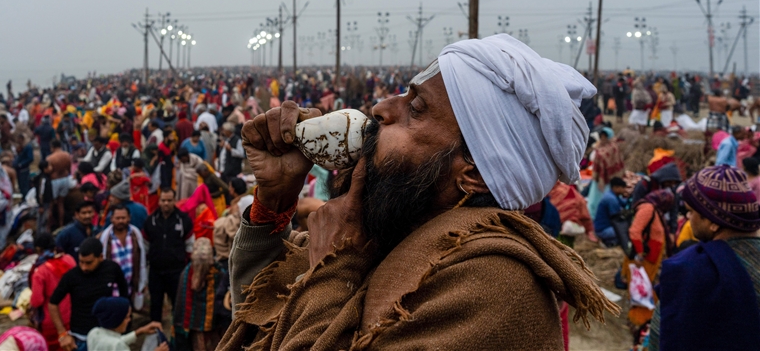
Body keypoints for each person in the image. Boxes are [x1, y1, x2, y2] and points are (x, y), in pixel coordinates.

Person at [218, 35, 617, 350]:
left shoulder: (493, 286)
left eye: (417, 108)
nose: (380, 109)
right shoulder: (389, 234)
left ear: (474, 172)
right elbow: (260, 323)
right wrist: (274, 203)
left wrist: (333, 272)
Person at [648, 166, 760, 351]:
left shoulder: (689, 270)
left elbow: (661, 339)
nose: (688, 217)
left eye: (691, 211)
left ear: (713, 223)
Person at [49, 237, 129, 351]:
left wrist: (122, 317)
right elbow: (53, 303)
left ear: (100, 257)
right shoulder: (72, 277)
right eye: (81, 262)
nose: (84, 267)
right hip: (81, 337)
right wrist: (62, 334)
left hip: (107, 334)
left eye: (89, 263)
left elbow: (124, 292)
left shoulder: (112, 269)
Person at [624, 189, 675, 329]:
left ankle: (641, 324)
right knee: (641, 292)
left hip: (649, 258)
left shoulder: (653, 209)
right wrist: (640, 253)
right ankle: (639, 325)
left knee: (643, 291)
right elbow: (635, 231)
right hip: (644, 258)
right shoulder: (648, 208)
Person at [143, 188, 194, 322]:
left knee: (178, 305)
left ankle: (177, 333)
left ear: (175, 201)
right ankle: (156, 333)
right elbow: (145, 246)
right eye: (163, 200)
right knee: (156, 304)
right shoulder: (151, 220)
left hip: (176, 271)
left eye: (169, 200)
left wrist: (186, 266)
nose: (166, 203)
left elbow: (190, 245)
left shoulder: (183, 220)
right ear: (159, 201)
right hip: (155, 272)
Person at [174, 237, 228, 351]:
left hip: (214, 328)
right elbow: (182, 304)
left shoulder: (218, 275)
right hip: (194, 328)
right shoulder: (186, 276)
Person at [30, 232, 77, 351]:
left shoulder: (40, 271)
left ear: (38, 249)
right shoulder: (69, 260)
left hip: (51, 322)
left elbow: (37, 300)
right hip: (73, 315)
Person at [99, 205, 147, 306]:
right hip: (113, 289)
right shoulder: (106, 237)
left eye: (123, 218)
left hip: (130, 286)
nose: (120, 221)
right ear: (112, 219)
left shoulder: (135, 234)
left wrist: (142, 282)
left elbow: (142, 259)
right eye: (117, 218)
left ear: (129, 218)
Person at [86, 297, 166, 351]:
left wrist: (139, 332)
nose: (129, 320)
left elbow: (115, 342)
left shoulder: (93, 333)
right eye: (126, 317)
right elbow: (117, 344)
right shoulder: (117, 345)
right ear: (116, 319)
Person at [594, 177, 631, 247]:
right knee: (626, 232)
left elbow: (624, 202)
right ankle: (609, 242)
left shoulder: (613, 195)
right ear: (616, 187)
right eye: (623, 188)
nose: (624, 190)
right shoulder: (611, 199)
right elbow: (616, 218)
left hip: (604, 227)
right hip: (603, 230)